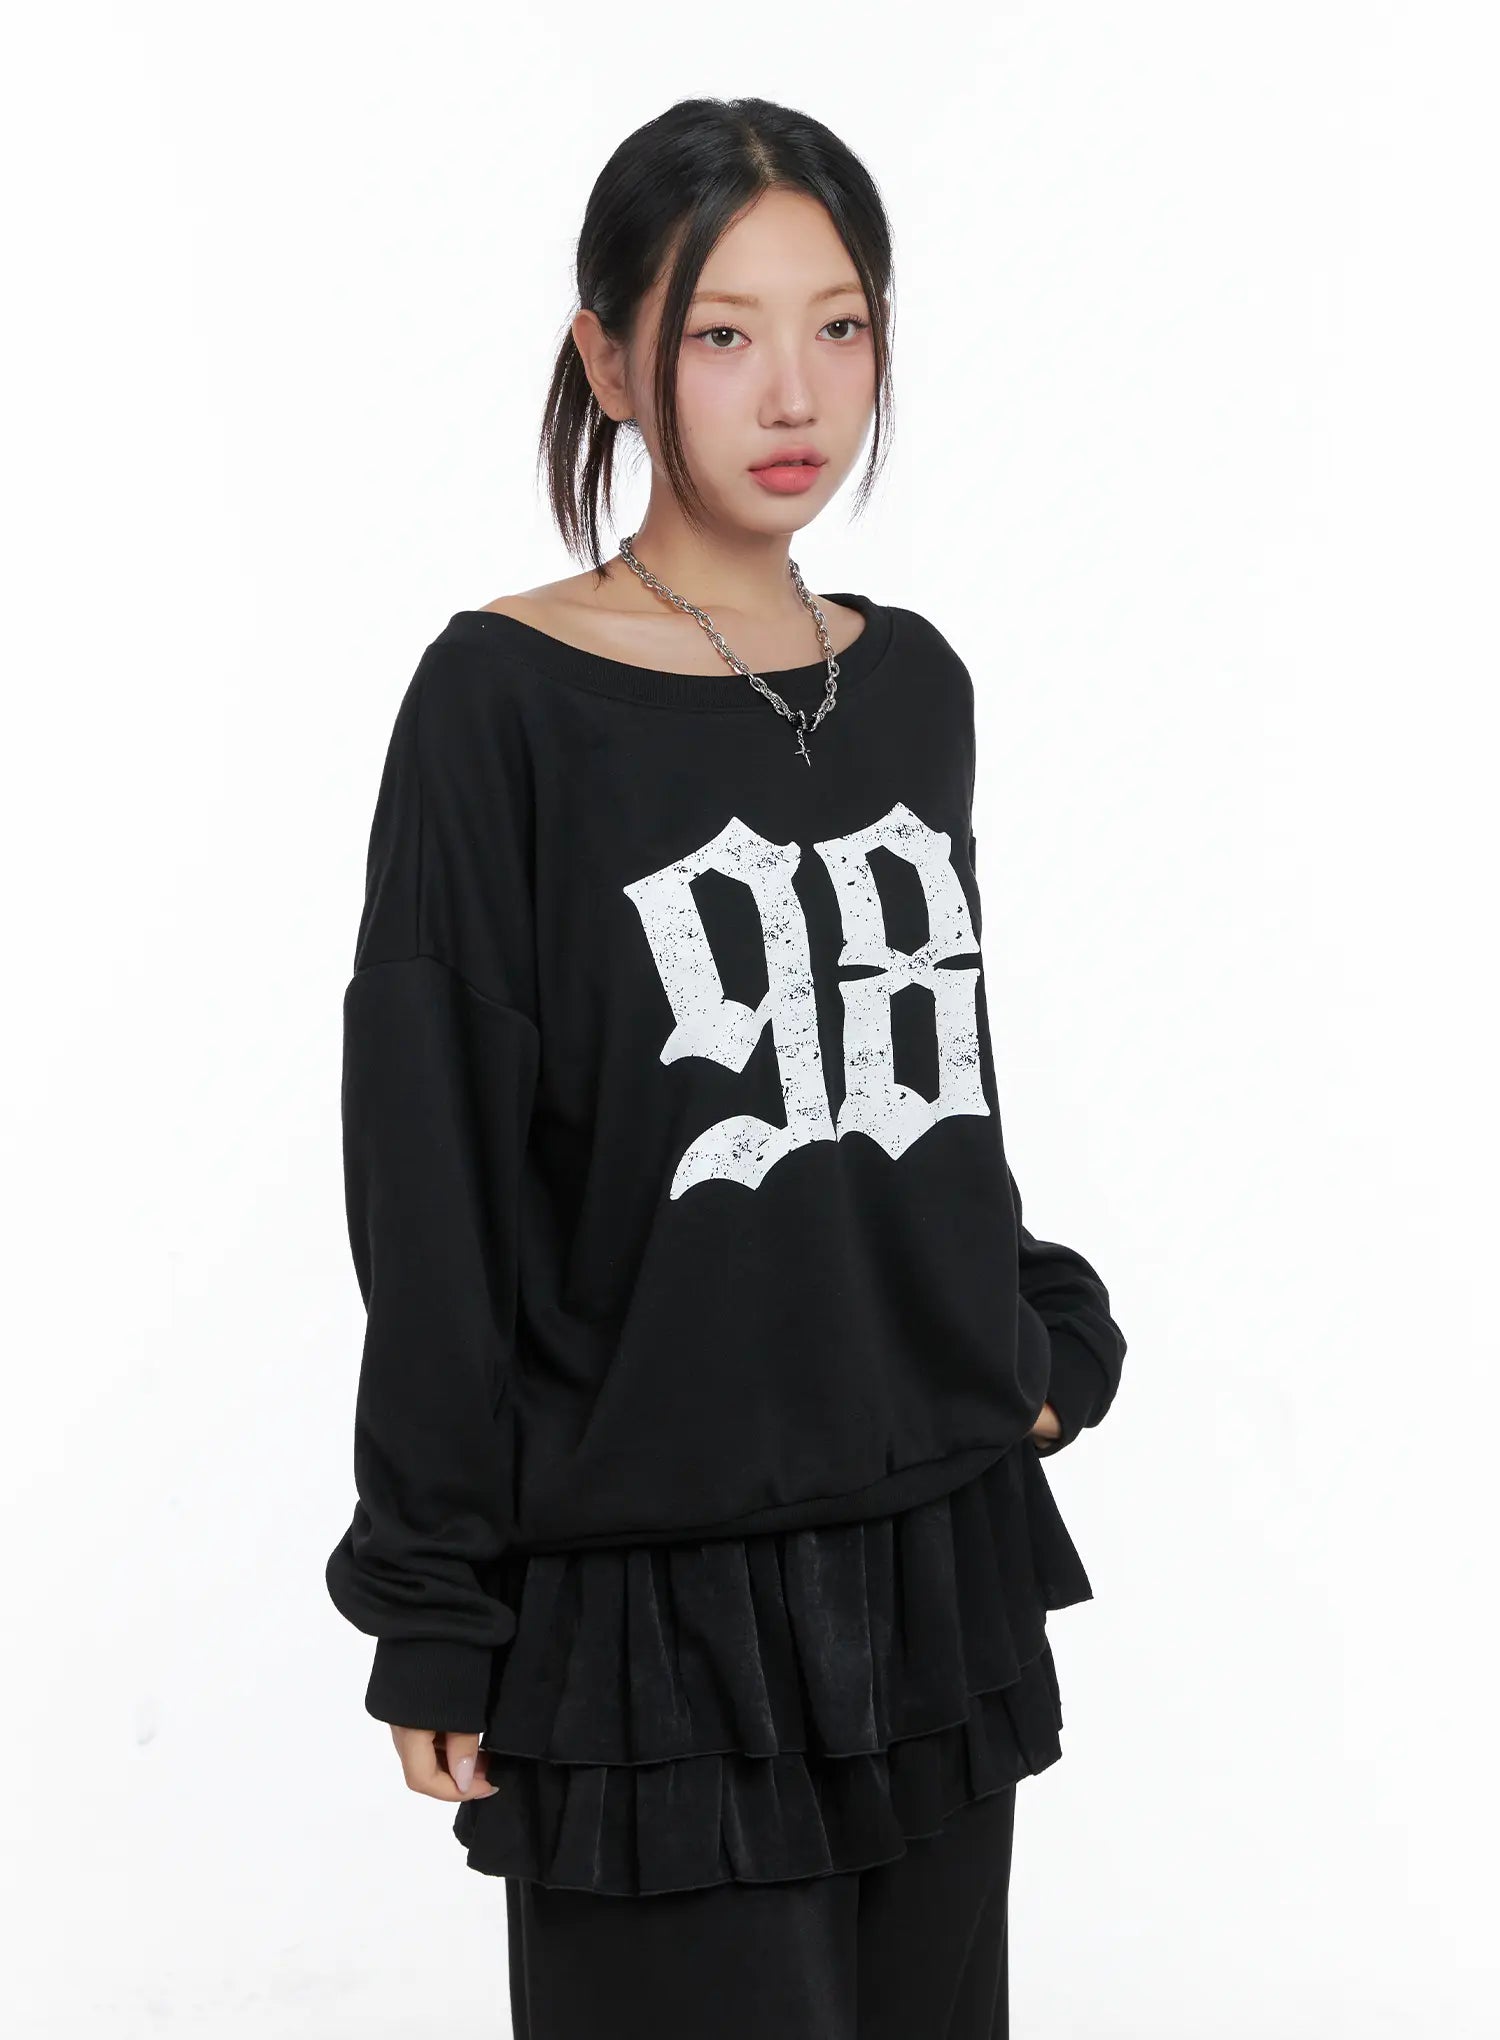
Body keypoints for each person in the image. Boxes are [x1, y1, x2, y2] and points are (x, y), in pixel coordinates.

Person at [325, 94, 1127, 2040]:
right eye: (721, 332)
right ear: (610, 360)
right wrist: (432, 1588)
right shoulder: (501, 704)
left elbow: (921, 1084)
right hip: (648, 1607)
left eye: (840, 326)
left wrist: (1028, 1336)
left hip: (931, 1562)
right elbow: (431, 1171)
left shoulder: (911, 684)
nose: (795, 390)